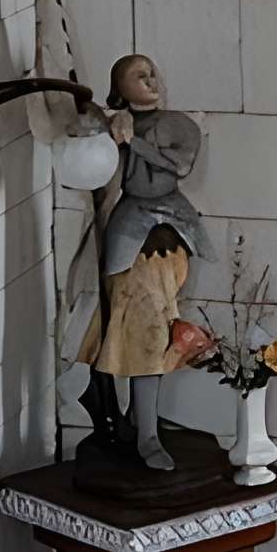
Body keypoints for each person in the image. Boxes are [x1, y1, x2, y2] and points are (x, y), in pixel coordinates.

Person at [78, 54, 212, 471]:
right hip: (130, 231)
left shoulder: (178, 125)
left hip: (173, 228)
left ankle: (142, 419)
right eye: (139, 75)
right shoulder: (112, 126)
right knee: (144, 333)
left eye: (153, 71)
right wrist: (108, 131)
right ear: (121, 87)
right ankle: (147, 434)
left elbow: (179, 164)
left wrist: (133, 141)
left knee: (159, 327)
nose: (151, 78)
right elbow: (90, 167)